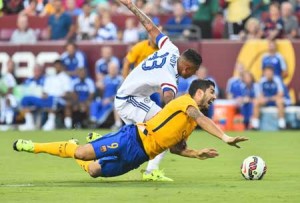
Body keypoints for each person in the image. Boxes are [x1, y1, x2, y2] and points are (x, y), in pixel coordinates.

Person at [13, 79, 249, 179]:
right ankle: (34, 146)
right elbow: (200, 117)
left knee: (94, 171)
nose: (213, 98)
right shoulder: (186, 103)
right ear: (199, 92)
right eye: (211, 93)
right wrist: (224, 137)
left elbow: (174, 148)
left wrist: (195, 154)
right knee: (82, 153)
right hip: (132, 138)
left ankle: (82, 144)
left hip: (138, 157)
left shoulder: (188, 126)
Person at [114, 0, 202, 181]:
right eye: (193, 71)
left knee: (139, 141)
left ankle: (105, 143)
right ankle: (150, 172)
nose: (191, 75)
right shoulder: (169, 77)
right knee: (165, 130)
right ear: (186, 68)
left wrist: (132, 7)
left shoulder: (172, 49)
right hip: (128, 99)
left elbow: (151, 28)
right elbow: (168, 97)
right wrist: (179, 118)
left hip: (133, 97)